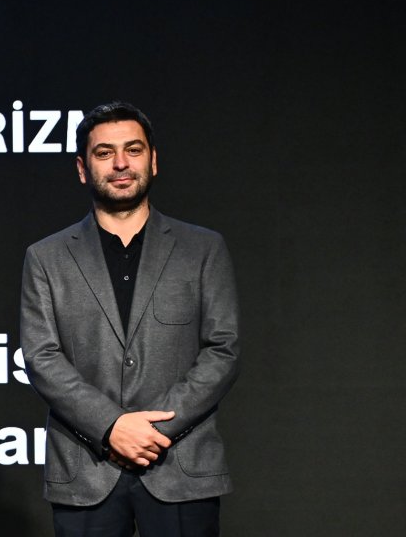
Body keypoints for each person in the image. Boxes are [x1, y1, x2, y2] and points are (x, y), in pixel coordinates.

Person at [19, 101, 240, 537]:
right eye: (104, 153)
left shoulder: (203, 249)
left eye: (133, 150)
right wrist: (111, 426)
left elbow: (223, 350)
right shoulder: (45, 258)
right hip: (85, 470)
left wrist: (155, 429)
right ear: (83, 168)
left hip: (181, 464)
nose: (120, 163)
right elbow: (41, 356)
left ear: (153, 160)